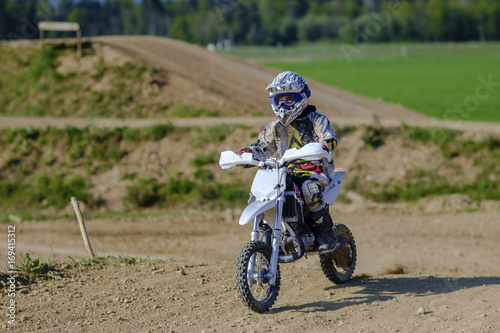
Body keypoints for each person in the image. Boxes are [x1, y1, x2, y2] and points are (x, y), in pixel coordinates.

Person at [236, 71, 348, 256]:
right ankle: (269, 228)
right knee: (260, 191)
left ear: (301, 98)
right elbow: (261, 148)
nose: (283, 105)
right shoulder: (275, 127)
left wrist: (324, 146)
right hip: (285, 170)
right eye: (278, 100)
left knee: (309, 190)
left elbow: (330, 139)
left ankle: (326, 231)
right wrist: (244, 155)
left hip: (316, 167)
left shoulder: (317, 120)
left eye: (289, 99)